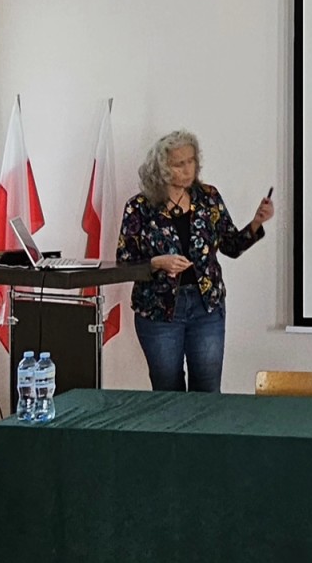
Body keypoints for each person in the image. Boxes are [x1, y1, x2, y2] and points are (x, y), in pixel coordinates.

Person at [116, 130, 272, 393]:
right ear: (162, 168)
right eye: (179, 164)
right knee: (167, 390)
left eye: (191, 161)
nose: (188, 169)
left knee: (208, 388)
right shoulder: (140, 207)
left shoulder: (208, 197)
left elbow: (231, 246)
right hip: (159, 309)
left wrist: (256, 223)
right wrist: (157, 262)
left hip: (206, 306)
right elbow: (124, 262)